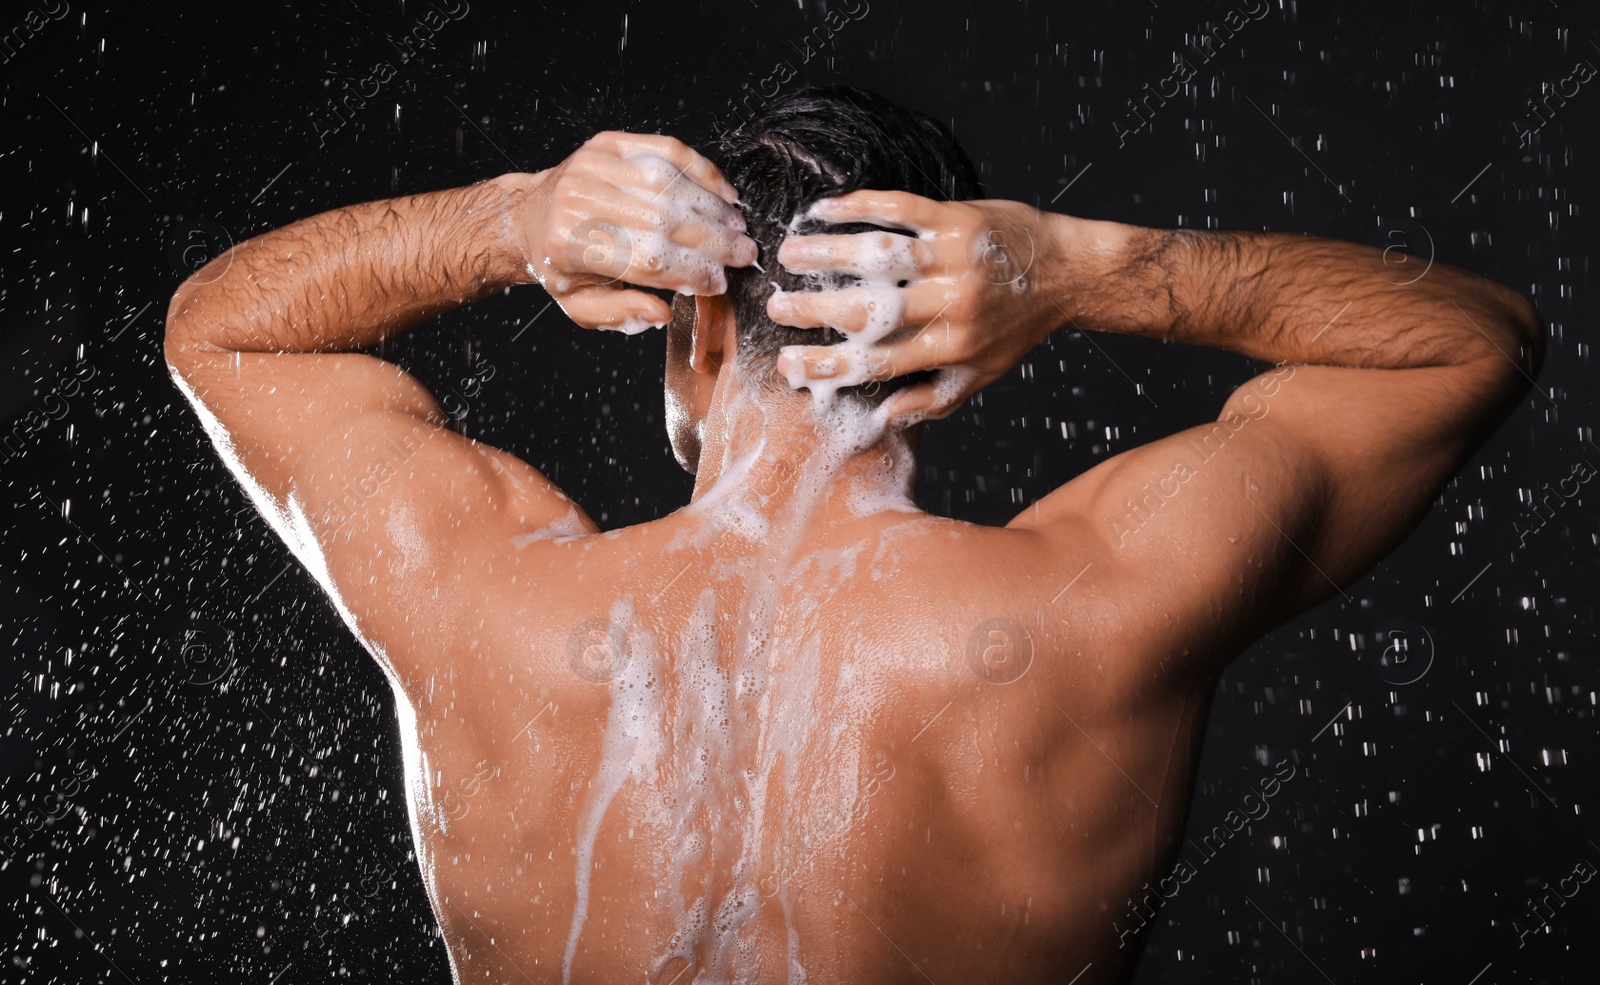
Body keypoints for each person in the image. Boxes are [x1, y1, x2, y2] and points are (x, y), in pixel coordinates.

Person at [164, 86, 1541, 984]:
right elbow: (1465, 346)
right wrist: (1080, 269)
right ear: (954, 337)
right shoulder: (1095, 610)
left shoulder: (486, 604)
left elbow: (221, 326)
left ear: (699, 327)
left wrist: (513, 218)